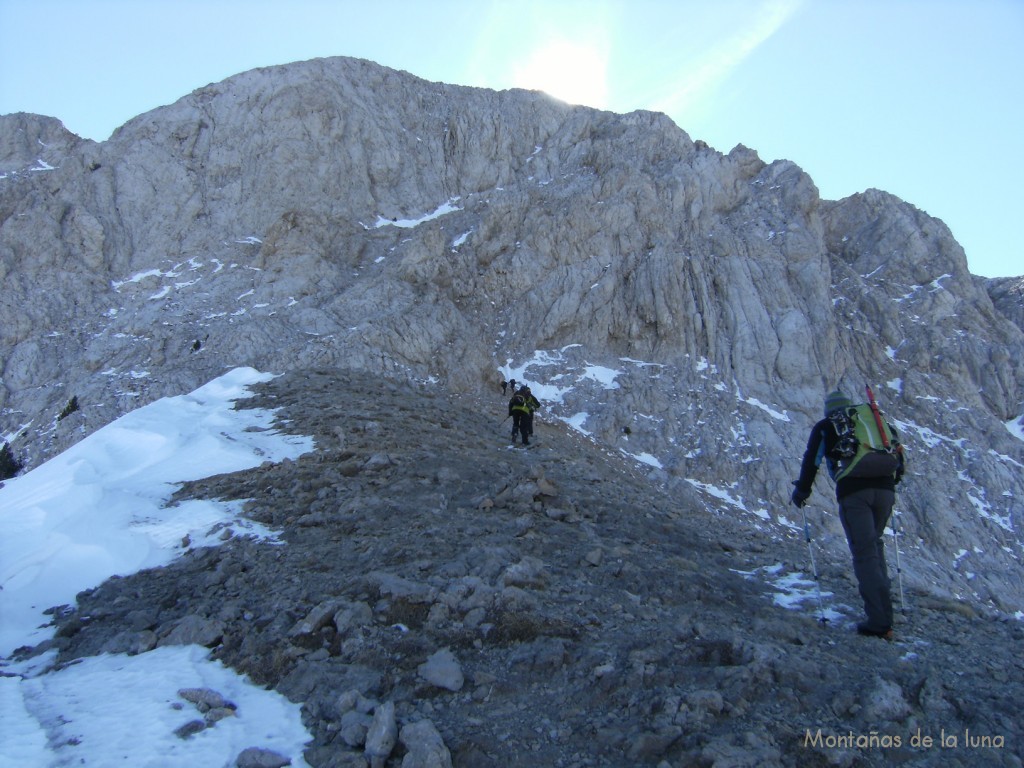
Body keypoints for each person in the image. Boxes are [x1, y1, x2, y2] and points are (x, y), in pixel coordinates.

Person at [791, 390, 905, 639]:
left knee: (864, 554)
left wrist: (802, 491)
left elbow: (812, 460)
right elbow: (898, 454)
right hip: (885, 490)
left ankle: (879, 622)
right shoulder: (871, 424)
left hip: (855, 493)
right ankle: (886, 615)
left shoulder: (826, 426)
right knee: (875, 546)